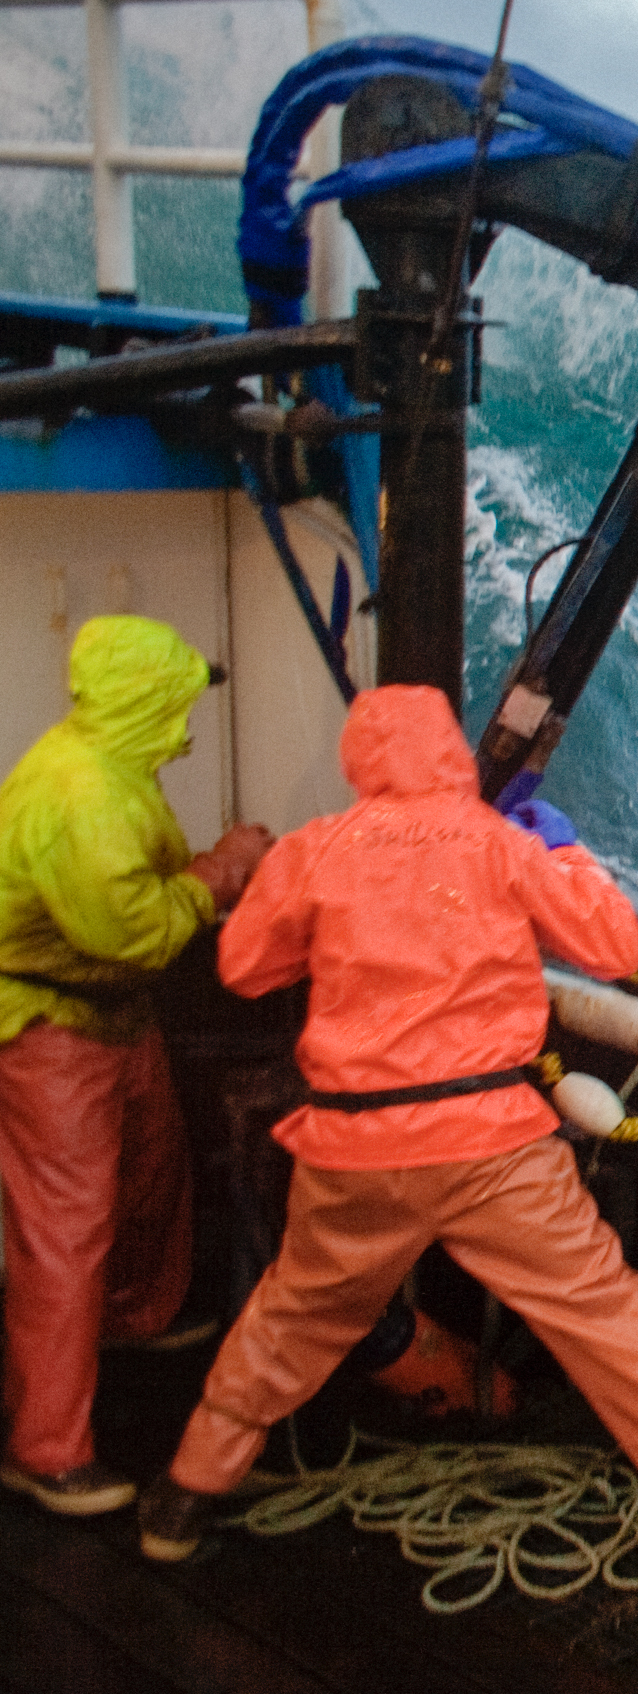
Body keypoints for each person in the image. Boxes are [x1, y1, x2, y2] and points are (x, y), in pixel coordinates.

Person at [137, 682, 638, 1561]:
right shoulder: (500, 845)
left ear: (360, 762)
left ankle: (184, 1496)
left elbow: (243, 969)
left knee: (290, 1322)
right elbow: (614, 948)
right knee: (602, 1306)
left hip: (355, 1149)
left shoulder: (317, 851)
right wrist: (565, 852)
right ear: (449, 755)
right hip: (493, 1146)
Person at [0, 614, 270, 1517]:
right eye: (180, 700)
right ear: (145, 701)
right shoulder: (82, 798)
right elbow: (137, 933)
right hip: (48, 1025)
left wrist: (205, 867)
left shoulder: (114, 766)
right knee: (64, 1230)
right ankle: (45, 1450)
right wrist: (226, 868)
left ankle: (131, 1318)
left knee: (153, 1168)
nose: (190, 720)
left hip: (115, 1016)